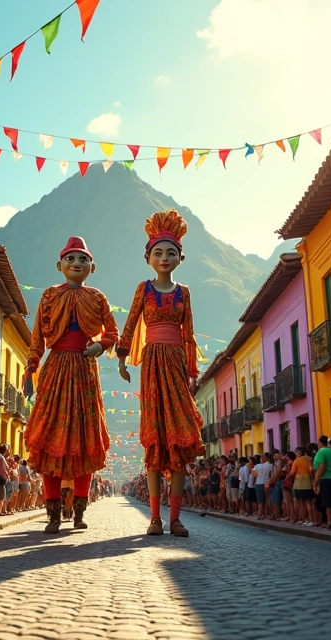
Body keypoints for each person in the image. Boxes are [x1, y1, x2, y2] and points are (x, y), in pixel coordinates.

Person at [117, 211, 205, 537]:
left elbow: (190, 332)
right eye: (158, 253)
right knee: (155, 442)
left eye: (171, 253)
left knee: (180, 443)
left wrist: (192, 371)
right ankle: (155, 518)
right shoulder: (144, 289)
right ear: (148, 257)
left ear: (180, 257)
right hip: (152, 364)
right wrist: (123, 358)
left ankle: (176, 518)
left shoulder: (184, 292)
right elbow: (129, 323)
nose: (164, 258)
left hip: (177, 364)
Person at [23, 236, 118, 534]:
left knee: (85, 438)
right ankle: (52, 514)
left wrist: (100, 345)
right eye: (71, 259)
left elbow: (113, 332)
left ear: (93, 266)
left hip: (85, 369)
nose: (77, 264)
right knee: (50, 437)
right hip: (56, 368)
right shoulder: (49, 295)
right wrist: (31, 369)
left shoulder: (98, 298)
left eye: (83, 259)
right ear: (59, 265)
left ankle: (78, 512)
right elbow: (37, 335)